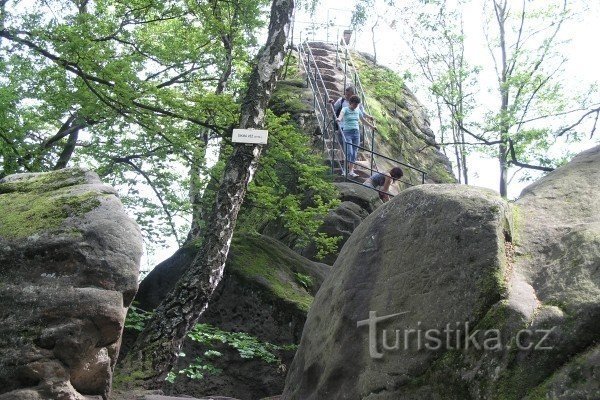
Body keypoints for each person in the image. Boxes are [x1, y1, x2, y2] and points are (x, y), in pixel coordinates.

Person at [336, 95, 377, 177]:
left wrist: (372, 127)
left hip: (356, 134)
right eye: (355, 104)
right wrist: (339, 119)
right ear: (350, 103)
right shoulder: (345, 109)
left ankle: (351, 171)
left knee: (354, 153)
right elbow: (340, 116)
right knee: (349, 152)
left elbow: (363, 120)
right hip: (347, 132)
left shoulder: (358, 109)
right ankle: (344, 171)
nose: (356, 106)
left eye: (357, 104)